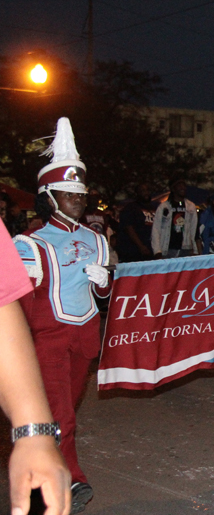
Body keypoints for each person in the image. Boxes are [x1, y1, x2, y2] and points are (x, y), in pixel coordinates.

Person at [13, 118, 111, 512]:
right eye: (69, 194)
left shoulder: (97, 239)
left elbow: (104, 294)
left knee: (62, 410)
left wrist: (104, 282)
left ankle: (45, 478)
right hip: (48, 340)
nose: (78, 200)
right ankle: (69, 480)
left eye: (81, 194)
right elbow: (17, 306)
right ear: (49, 196)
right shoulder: (30, 243)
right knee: (60, 415)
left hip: (84, 338)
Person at [1, 220, 72, 515]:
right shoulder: (32, 241)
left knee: (65, 412)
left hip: (70, 334)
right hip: (49, 334)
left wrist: (34, 432)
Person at [151, 178, 199, 258]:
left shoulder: (191, 206)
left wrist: (195, 249)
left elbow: (194, 229)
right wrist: (157, 251)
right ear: (173, 189)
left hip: (185, 249)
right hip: (168, 249)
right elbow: (156, 229)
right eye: (179, 185)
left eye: (184, 185)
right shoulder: (164, 207)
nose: (182, 188)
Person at [116, 183, 158, 263]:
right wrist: (140, 246)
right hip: (135, 250)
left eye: (147, 190)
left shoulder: (154, 208)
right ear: (137, 193)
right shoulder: (131, 208)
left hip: (151, 248)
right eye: (142, 191)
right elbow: (128, 228)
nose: (145, 193)